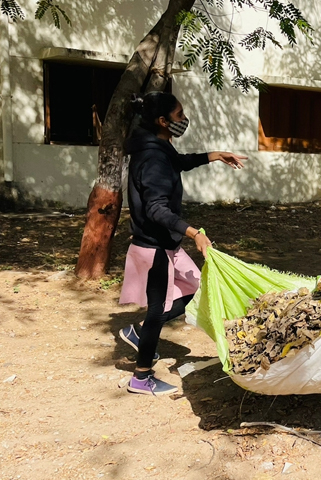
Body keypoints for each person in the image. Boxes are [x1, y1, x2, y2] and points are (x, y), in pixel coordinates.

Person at [117, 91, 247, 396]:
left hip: (164, 243)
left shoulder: (156, 146)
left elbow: (179, 162)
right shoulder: (153, 157)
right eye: (179, 115)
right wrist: (195, 233)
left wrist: (213, 155)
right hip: (155, 248)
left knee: (197, 288)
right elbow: (157, 209)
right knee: (157, 310)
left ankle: (138, 331)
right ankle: (141, 377)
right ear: (163, 121)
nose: (183, 120)